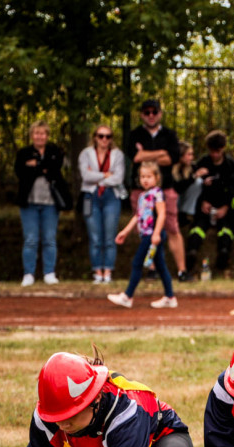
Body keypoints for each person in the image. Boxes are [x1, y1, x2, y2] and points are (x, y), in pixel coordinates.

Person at [27, 350, 194, 447]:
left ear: (96, 399)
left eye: (72, 414)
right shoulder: (46, 414)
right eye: (57, 416)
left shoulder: (128, 412)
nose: (62, 424)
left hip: (156, 441)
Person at [128, 99, 188, 281]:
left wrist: (146, 154)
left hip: (166, 189)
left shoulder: (170, 134)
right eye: (147, 112)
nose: (151, 115)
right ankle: (152, 270)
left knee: (172, 228)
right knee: (145, 229)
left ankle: (182, 271)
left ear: (160, 113)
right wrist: (160, 153)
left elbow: (172, 158)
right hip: (140, 190)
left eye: (154, 112)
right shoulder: (134, 134)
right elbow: (136, 157)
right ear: (141, 115)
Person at [107, 161, 177, 309]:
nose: (145, 179)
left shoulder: (157, 193)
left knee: (137, 263)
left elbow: (162, 214)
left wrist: (157, 234)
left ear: (156, 178)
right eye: (142, 176)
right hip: (147, 235)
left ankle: (128, 296)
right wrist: (125, 232)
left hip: (152, 235)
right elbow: (137, 216)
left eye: (149, 176)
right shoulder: (143, 196)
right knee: (161, 266)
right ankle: (170, 297)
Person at [15, 121, 69, 287]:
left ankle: (49, 273)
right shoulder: (23, 152)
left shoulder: (55, 151)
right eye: (37, 133)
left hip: (50, 203)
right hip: (29, 202)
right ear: (32, 135)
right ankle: (29, 274)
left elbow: (54, 168)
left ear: (47, 135)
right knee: (31, 239)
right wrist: (42, 167)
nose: (40, 136)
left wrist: (35, 165)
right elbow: (20, 171)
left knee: (49, 239)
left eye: (43, 133)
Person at [186, 130, 234, 275]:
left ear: (223, 149)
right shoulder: (203, 163)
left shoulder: (231, 166)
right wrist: (203, 201)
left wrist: (226, 207)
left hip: (224, 208)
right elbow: (194, 186)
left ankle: (223, 255)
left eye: (217, 151)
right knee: (198, 228)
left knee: (226, 230)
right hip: (205, 207)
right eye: (212, 151)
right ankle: (191, 253)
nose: (214, 155)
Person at [78, 124, 126, 284]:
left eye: (108, 136)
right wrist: (106, 175)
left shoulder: (117, 154)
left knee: (110, 236)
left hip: (112, 196)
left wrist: (96, 176)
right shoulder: (86, 153)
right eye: (101, 136)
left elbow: (118, 178)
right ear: (95, 137)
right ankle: (97, 271)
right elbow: (85, 175)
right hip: (90, 196)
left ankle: (108, 271)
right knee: (95, 236)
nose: (104, 139)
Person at [172, 142, 202, 233]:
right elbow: (177, 188)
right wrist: (193, 177)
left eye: (192, 154)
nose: (191, 157)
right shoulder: (170, 169)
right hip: (171, 201)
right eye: (189, 154)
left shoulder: (192, 166)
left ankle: (185, 213)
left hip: (183, 201)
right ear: (181, 155)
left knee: (199, 182)